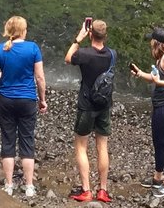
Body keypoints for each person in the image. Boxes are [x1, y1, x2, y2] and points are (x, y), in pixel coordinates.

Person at [0, 15, 48, 197]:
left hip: (6, 99)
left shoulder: (0, 49)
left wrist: (2, 75)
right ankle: (29, 186)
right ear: (24, 30)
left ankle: (8, 185)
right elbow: (39, 77)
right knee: (27, 140)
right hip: (27, 100)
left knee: (7, 140)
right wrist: (42, 99)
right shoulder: (33, 48)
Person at [65, 18, 115, 202]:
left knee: (81, 147)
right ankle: (103, 190)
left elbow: (68, 58)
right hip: (104, 105)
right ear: (105, 36)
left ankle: (86, 190)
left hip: (86, 105)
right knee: (102, 146)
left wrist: (79, 39)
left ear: (91, 33)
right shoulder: (112, 54)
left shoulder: (84, 54)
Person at [130, 27, 164, 199]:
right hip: (160, 106)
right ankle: (157, 177)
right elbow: (156, 78)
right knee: (158, 143)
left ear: (156, 42)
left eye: (151, 40)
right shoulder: (162, 57)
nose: (150, 43)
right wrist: (140, 73)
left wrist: (159, 82)